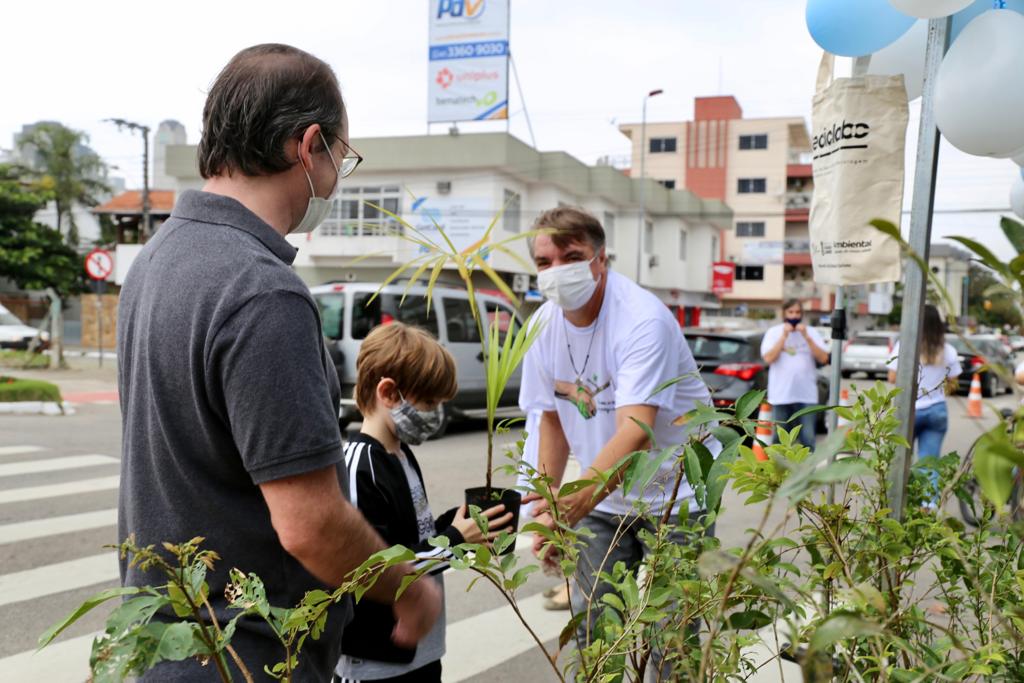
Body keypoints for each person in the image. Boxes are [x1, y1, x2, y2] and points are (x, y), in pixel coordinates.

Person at [117, 44, 440, 681]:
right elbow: (310, 523)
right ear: (309, 145)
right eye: (340, 157)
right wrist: (408, 587)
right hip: (251, 654)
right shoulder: (263, 291)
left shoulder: (153, 262)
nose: (336, 176)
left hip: (167, 642)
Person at [518, 206, 718, 668]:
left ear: (600, 259)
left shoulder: (641, 319)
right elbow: (551, 419)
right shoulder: (542, 327)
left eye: (572, 256)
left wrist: (571, 505)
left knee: (672, 637)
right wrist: (548, 508)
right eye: (544, 263)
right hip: (603, 495)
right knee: (595, 627)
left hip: (676, 494)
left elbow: (637, 433)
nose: (557, 272)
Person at [334, 323, 512, 682]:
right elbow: (373, 569)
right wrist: (455, 541)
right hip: (377, 660)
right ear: (389, 393)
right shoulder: (359, 465)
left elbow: (413, 534)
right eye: (429, 403)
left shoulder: (400, 453)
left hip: (422, 651)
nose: (436, 414)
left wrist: (457, 524)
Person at [887, 305, 961, 501]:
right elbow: (954, 383)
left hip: (910, 409)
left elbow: (892, 376)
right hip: (937, 409)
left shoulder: (906, 345)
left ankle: (898, 504)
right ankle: (928, 510)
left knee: (900, 461)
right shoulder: (948, 350)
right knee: (930, 464)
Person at [760, 299, 830, 448]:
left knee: (808, 439)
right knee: (778, 440)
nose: (794, 316)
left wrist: (807, 337)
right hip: (780, 395)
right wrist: (783, 337)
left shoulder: (811, 332)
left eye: (797, 312)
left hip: (806, 395)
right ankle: (778, 471)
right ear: (784, 313)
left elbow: (824, 358)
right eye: (790, 312)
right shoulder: (774, 332)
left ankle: (807, 471)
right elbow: (768, 358)